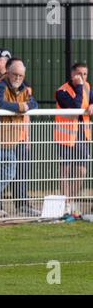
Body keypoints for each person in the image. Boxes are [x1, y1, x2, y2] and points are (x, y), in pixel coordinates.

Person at [0, 58, 39, 217]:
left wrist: (25, 106)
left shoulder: (23, 87)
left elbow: (34, 103)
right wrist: (20, 107)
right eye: (15, 74)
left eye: (21, 75)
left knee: (10, 173)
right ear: (7, 73)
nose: (18, 78)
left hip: (14, 139)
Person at [54, 62, 93, 213]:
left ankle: (71, 200)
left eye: (85, 74)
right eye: (79, 74)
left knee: (82, 171)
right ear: (72, 75)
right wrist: (78, 87)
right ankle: (66, 203)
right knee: (65, 170)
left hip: (82, 135)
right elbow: (76, 108)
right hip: (65, 137)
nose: (82, 77)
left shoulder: (88, 87)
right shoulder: (61, 91)